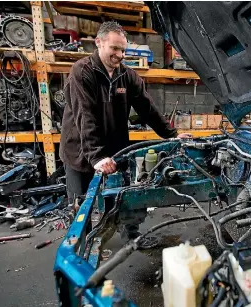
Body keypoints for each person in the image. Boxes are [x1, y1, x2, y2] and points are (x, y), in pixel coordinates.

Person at [59, 21, 191, 239]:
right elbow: (85, 116)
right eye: (115, 48)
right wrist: (97, 156)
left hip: (115, 150)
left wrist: (173, 135)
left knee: (122, 196)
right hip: (80, 152)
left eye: (123, 49)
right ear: (99, 43)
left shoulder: (127, 76)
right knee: (81, 204)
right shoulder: (82, 72)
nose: (120, 55)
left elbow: (149, 110)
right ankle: (82, 248)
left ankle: (132, 236)